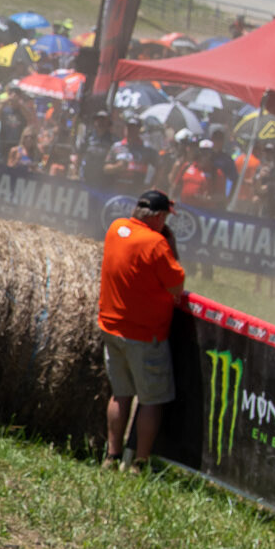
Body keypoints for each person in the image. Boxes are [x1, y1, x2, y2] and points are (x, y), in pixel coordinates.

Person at [98, 188, 187, 472]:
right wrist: (170, 245)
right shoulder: (156, 244)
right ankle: (139, 462)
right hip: (143, 335)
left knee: (120, 394)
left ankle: (111, 457)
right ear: (159, 217)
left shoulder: (116, 228)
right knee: (151, 400)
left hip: (111, 327)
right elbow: (177, 285)